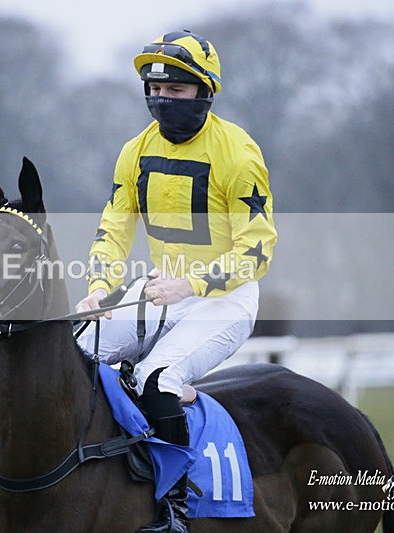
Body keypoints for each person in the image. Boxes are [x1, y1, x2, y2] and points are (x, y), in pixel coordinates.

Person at [75, 30, 277, 533]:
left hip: (225, 299)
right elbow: (114, 228)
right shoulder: (134, 151)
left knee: (156, 379)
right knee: (73, 350)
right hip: (160, 290)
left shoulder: (238, 153)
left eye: (176, 90)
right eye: (155, 89)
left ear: (205, 91)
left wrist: (191, 285)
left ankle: (175, 504)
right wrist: (98, 288)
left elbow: (257, 249)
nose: (162, 99)